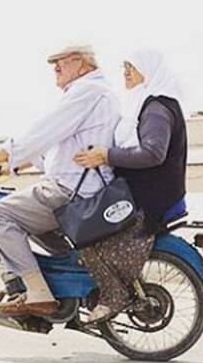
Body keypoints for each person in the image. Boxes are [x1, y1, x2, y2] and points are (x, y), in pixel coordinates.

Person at [0, 45, 120, 317]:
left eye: (61, 62)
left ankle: (38, 292)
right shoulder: (95, 92)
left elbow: (40, 133)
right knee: (24, 212)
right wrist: (10, 167)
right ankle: (59, 282)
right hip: (81, 185)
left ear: (82, 63)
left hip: (72, 190)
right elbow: (60, 145)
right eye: (53, 63)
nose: (55, 68)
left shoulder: (87, 92)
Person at [73, 49, 187, 323]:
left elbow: (153, 153)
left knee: (86, 234)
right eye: (124, 66)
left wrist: (106, 155)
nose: (125, 72)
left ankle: (114, 296)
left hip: (149, 197)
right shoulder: (144, 104)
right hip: (138, 191)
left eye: (131, 67)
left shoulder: (157, 109)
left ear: (149, 70)